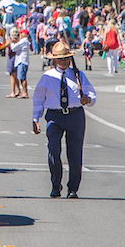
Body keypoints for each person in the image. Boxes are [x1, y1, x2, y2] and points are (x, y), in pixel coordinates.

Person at [31, 41, 97, 199]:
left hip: (75, 115)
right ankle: (55, 184)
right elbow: (38, 98)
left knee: (74, 153)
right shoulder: (47, 77)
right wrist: (35, 118)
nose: (65, 61)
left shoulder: (78, 75)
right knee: (53, 149)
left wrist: (88, 99)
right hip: (55, 116)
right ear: (54, 60)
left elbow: (91, 93)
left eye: (67, 58)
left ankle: (73, 188)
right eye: (61, 59)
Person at [11, 29, 32, 99]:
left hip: (22, 61)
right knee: (21, 77)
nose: (20, 35)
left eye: (21, 33)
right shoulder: (23, 41)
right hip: (21, 61)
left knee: (22, 78)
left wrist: (12, 42)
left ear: (24, 34)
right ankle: (23, 92)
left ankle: (25, 92)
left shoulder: (24, 41)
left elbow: (14, 48)